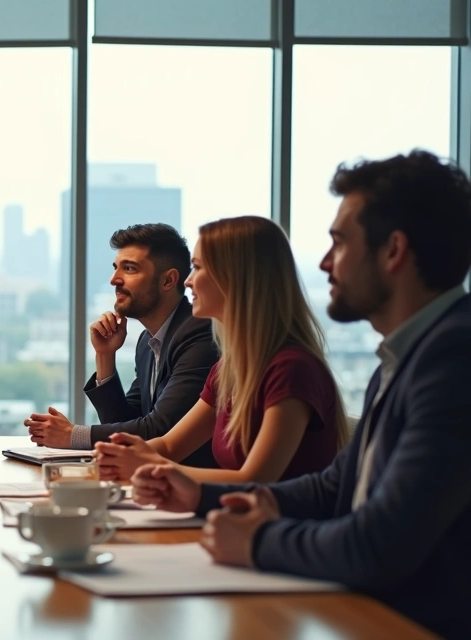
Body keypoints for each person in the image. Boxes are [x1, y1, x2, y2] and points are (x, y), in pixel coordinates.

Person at [132, 150, 471, 637]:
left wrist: (258, 542)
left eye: (340, 243)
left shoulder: (452, 361)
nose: (325, 262)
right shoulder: (408, 355)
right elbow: (335, 486)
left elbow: (378, 545)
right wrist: (201, 493)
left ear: (393, 251)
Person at [95, 216, 346, 484]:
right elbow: (169, 445)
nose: (188, 281)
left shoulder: (291, 369)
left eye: (198, 268)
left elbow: (255, 480)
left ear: (237, 278)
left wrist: (143, 465)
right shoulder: (228, 369)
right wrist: (108, 459)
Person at [24, 224, 219, 468]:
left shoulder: (200, 334)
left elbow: (160, 429)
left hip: (192, 483)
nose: (114, 279)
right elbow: (124, 421)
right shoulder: (147, 342)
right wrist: (105, 355)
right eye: (116, 268)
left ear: (168, 280)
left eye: (129, 269)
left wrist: (72, 435)